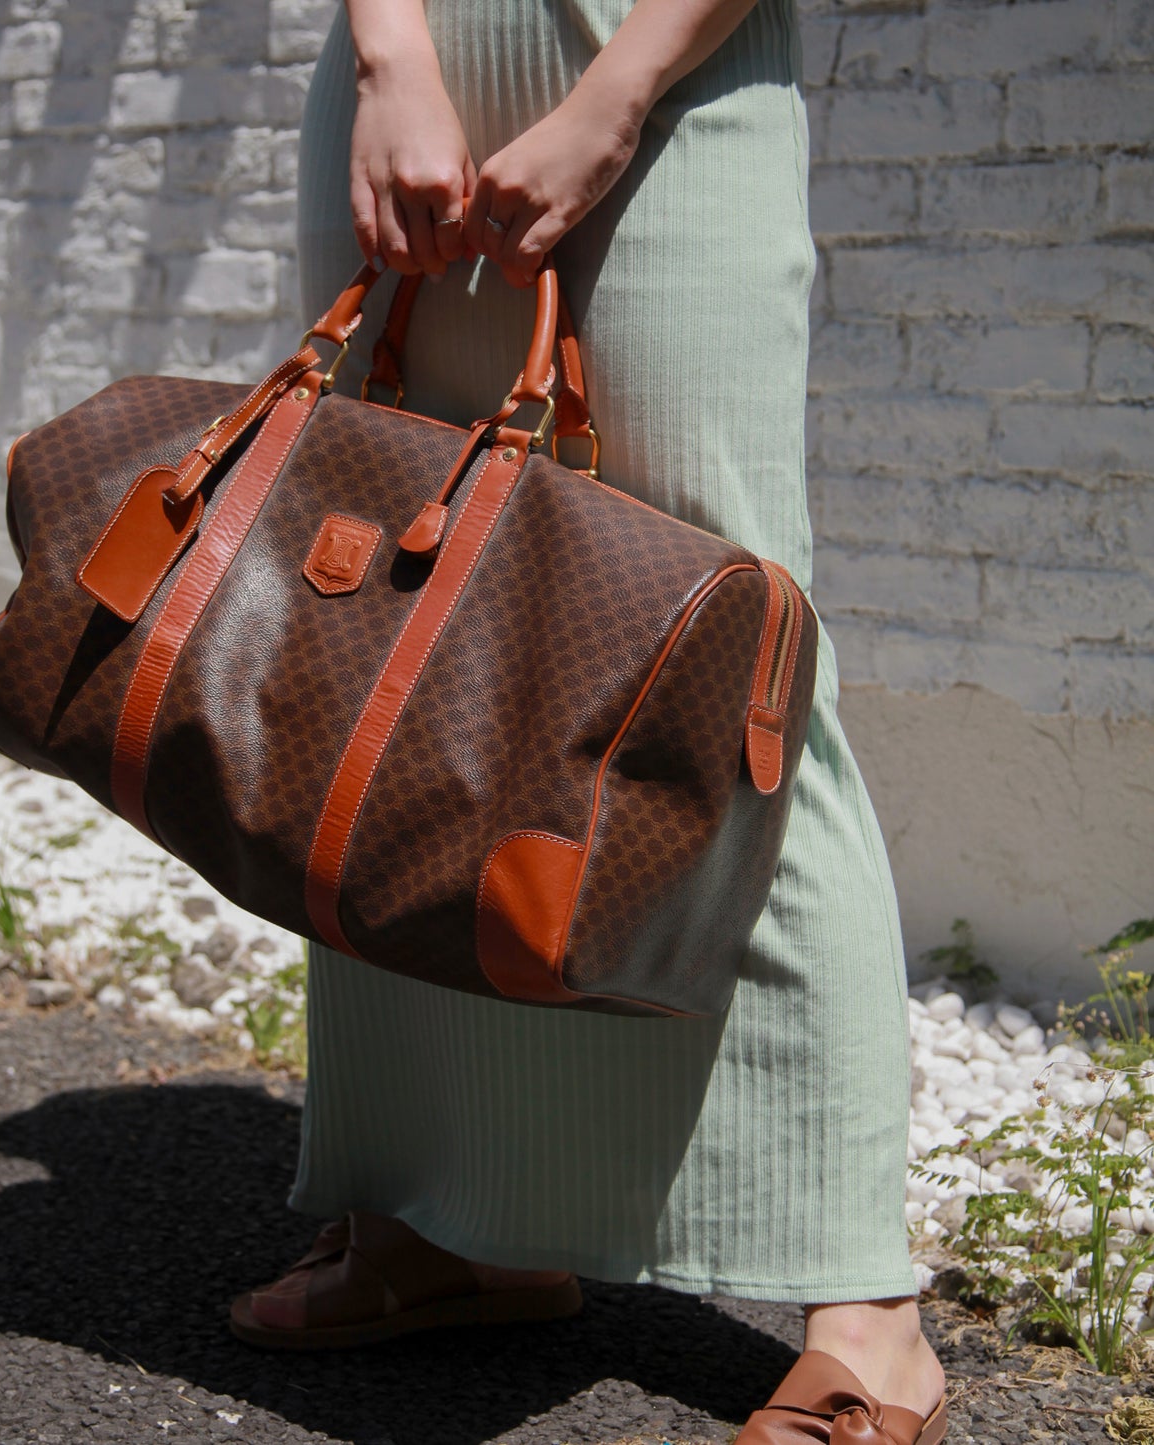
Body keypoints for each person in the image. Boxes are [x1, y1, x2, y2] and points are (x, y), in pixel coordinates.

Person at [232, 1, 948, 1440]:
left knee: (720, 656)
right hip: (406, 81)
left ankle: (869, 1318)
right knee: (398, 650)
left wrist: (615, 90)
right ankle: (446, 1221)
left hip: (660, 82)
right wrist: (391, 60)